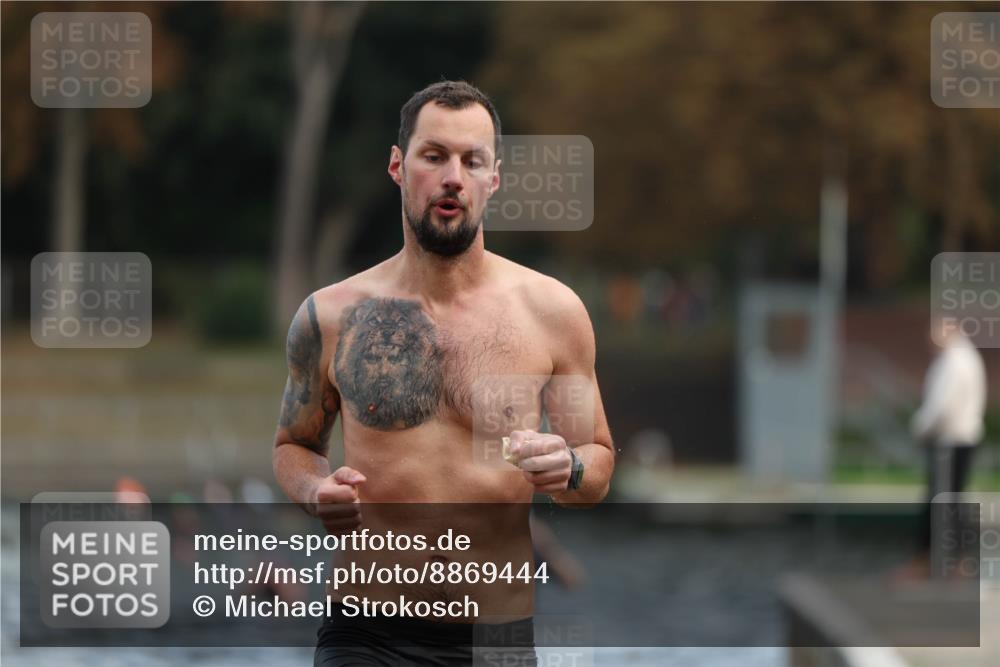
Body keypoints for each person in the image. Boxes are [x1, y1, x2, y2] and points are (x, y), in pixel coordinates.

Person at [272, 80, 615, 666]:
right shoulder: (330, 316)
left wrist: (570, 466)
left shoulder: (553, 313)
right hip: (365, 635)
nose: (453, 175)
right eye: (434, 156)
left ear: (494, 179)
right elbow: (293, 445)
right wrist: (314, 490)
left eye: (472, 159)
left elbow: (599, 467)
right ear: (399, 167)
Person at [910, 327, 987, 576]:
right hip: (959, 439)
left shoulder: (955, 361)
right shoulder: (963, 357)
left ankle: (937, 562)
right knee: (950, 499)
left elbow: (942, 408)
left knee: (943, 500)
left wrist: (920, 429)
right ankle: (951, 562)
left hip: (951, 441)